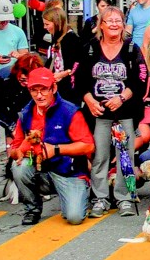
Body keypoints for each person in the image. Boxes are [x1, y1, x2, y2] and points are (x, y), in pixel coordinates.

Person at [76, 6, 149, 218]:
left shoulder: (131, 48)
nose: (114, 24)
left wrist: (122, 97)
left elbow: (141, 78)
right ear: (101, 25)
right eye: (109, 21)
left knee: (125, 155)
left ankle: (124, 197)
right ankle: (100, 197)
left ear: (123, 25)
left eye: (118, 20)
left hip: (124, 112)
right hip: (99, 113)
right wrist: (89, 101)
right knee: (100, 156)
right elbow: (78, 79)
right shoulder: (89, 48)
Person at [9, 68, 96, 225]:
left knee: (74, 218)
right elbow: (14, 151)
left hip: (68, 172)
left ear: (54, 88)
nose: (39, 95)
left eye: (43, 89)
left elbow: (88, 146)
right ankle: (32, 209)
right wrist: (20, 150)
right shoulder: (26, 113)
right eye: (34, 90)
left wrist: (56, 149)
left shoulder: (69, 111)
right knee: (18, 168)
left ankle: (76, 194)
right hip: (39, 170)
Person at [41, 5, 84, 106]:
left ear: (56, 23)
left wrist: (62, 74)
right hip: (57, 87)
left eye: (47, 24)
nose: (45, 27)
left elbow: (77, 64)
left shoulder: (72, 39)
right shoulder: (55, 38)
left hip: (69, 89)